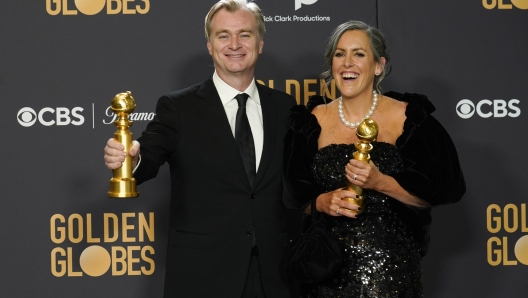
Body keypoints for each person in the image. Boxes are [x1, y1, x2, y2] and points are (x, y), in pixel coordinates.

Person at [104, 1, 295, 297]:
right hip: (204, 273)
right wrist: (130, 158)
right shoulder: (178, 107)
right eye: (223, 35)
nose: (234, 44)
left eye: (244, 34)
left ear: (260, 43)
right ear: (209, 45)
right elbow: (150, 154)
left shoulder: (285, 107)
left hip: (275, 275)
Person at [282, 20, 465, 297]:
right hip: (324, 269)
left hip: (390, 270)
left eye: (359, 54)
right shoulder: (311, 122)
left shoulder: (409, 119)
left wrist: (380, 182)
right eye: (340, 54)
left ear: (378, 65)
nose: (347, 63)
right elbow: (294, 198)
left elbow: (439, 192)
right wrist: (322, 202)